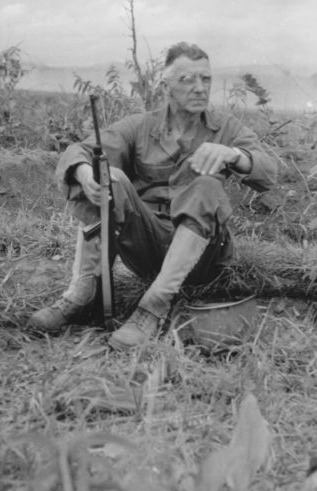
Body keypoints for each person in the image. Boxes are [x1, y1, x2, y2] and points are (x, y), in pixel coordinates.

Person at [30, 42, 277, 348]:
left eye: (206, 79)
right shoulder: (141, 126)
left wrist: (233, 154)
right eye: (187, 80)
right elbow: (77, 151)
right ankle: (84, 294)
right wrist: (85, 173)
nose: (200, 88)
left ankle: (153, 307)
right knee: (107, 174)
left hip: (203, 257)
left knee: (206, 186)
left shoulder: (225, 127)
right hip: (146, 249)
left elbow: (269, 171)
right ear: (166, 86)